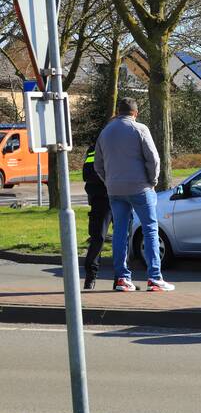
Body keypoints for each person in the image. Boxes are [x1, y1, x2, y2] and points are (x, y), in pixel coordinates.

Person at [94, 97, 173, 292]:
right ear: (135, 113)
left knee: (120, 232)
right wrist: (152, 181)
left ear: (118, 112)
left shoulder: (105, 132)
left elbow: (98, 165)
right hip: (140, 188)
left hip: (114, 190)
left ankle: (122, 278)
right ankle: (155, 278)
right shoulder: (140, 129)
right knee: (150, 230)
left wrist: (109, 181)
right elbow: (153, 159)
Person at [81, 142, 111, 290]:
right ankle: (90, 278)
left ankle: (122, 278)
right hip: (101, 198)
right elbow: (87, 173)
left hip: (122, 196)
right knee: (98, 237)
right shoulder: (96, 148)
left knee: (123, 238)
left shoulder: (126, 144)